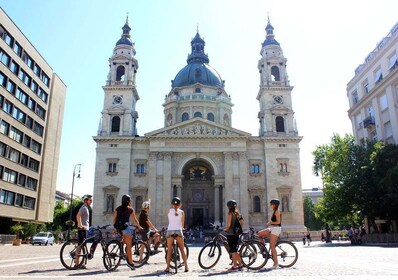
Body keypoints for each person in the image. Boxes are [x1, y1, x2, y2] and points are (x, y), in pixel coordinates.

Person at [113, 194, 143, 270]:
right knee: (129, 247)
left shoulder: (117, 209)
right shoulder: (130, 209)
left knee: (123, 240)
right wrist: (139, 227)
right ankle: (130, 263)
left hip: (118, 228)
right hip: (125, 229)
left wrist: (114, 229)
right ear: (128, 201)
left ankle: (121, 252)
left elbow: (114, 220)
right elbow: (135, 220)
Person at [164, 197, 189, 273]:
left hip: (170, 230)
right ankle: (186, 267)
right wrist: (182, 228)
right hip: (178, 231)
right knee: (182, 249)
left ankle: (168, 267)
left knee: (169, 250)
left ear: (172, 204)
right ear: (179, 204)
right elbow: (182, 224)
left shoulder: (168, 211)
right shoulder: (182, 212)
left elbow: (170, 220)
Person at [258, 199, 282, 269]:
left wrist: (270, 223)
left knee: (272, 247)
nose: (270, 206)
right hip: (273, 228)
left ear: (274, 205)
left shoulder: (277, 212)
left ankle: (276, 263)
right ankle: (263, 249)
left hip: (276, 229)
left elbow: (278, 222)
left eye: (271, 204)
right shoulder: (274, 211)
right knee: (259, 234)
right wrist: (270, 222)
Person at [224, 199, 243, 271]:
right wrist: (239, 230)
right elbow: (242, 222)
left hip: (231, 233)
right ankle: (240, 264)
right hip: (236, 234)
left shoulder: (230, 214)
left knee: (233, 251)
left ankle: (235, 266)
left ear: (229, 207)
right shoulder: (237, 213)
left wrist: (225, 229)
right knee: (234, 250)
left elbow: (228, 225)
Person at [75, 194, 93, 269]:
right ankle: (77, 263)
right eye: (90, 200)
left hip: (84, 229)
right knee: (80, 245)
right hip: (83, 229)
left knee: (82, 245)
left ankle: (79, 263)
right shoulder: (84, 208)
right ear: (86, 200)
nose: (91, 202)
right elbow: (78, 216)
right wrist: (81, 225)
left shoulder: (86, 208)